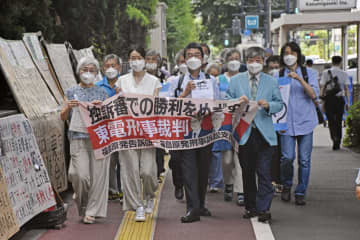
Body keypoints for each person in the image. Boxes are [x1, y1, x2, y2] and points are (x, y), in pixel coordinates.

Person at [226, 46, 283, 223]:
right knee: (248, 172)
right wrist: (237, 102)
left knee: (264, 172)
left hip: (264, 133)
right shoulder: (236, 81)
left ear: (263, 62)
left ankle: (264, 208)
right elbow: (227, 103)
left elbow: (279, 104)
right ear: (246, 62)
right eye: (251, 61)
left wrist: (268, 106)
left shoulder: (271, 81)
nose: (254, 64)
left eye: (258, 61)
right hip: (244, 133)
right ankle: (251, 207)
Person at [170, 42, 220, 223]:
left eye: (196, 55)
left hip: (206, 130)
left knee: (203, 168)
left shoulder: (211, 80)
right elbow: (169, 105)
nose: (192, 59)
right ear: (184, 59)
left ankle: (200, 203)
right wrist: (185, 93)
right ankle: (192, 208)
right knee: (189, 168)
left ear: (203, 59)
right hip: (186, 131)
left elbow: (218, 103)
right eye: (189, 55)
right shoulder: (176, 81)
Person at [60, 56, 110, 224]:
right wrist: (69, 106)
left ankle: (91, 211)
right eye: (84, 70)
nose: (87, 73)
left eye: (91, 70)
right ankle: (82, 203)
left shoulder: (102, 93)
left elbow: (109, 117)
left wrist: (100, 107)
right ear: (78, 71)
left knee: (97, 177)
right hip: (77, 138)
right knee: (80, 176)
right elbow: (62, 116)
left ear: (96, 73)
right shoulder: (70, 91)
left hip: (98, 139)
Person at [116, 46, 162, 222]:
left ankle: (150, 194)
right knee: (130, 171)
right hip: (127, 132)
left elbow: (157, 104)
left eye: (138, 57)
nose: (135, 61)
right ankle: (138, 206)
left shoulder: (154, 81)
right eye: (132, 58)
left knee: (148, 171)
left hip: (148, 133)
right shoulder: (122, 81)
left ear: (145, 59)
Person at [276, 42, 319, 206]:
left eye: (292, 52)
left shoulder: (310, 73)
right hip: (285, 123)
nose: (289, 56)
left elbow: (313, 94)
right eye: (286, 53)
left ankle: (300, 191)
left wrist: (299, 79)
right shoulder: (277, 74)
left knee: (304, 160)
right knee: (287, 157)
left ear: (298, 55)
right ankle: (286, 185)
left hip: (306, 121)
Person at [210, 48, 245, 206]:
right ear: (225, 61)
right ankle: (228, 182)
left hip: (242, 122)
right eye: (231, 58)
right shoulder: (218, 80)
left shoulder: (246, 79)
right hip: (224, 123)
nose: (234, 61)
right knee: (227, 159)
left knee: (240, 157)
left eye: (237, 58)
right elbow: (214, 101)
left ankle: (240, 191)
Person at [96, 54, 123, 201]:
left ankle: (124, 189)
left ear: (119, 67)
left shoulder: (125, 83)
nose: (110, 69)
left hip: (124, 128)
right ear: (102, 68)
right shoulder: (97, 86)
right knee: (110, 160)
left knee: (124, 160)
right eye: (107, 66)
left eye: (113, 66)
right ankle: (113, 189)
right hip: (106, 129)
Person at [320, 56, 350, 150]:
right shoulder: (344, 73)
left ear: (332, 62)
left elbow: (323, 87)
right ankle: (338, 140)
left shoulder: (326, 73)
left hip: (329, 99)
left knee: (331, 121)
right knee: (338, 120)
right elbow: (346, 89)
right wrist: (347, 102)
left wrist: (322, 101)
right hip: (340, 99)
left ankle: (334, 138)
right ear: (341, 62)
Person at [168, 49, 186, 200]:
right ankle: (178, 185)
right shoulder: (174, 81)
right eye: (181, 62)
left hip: (194, 126)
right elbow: (168, 102)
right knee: (175, 159)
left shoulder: (204, 81)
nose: (185, 64)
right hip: (176, 125)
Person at [145, 50, 166, 180]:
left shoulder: (164, 77)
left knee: (159, 146)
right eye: (148, 59)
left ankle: (158, 171)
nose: (151, 62)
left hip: (160, 117)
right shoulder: (140, 77)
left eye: (154, 59)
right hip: (144, 117)